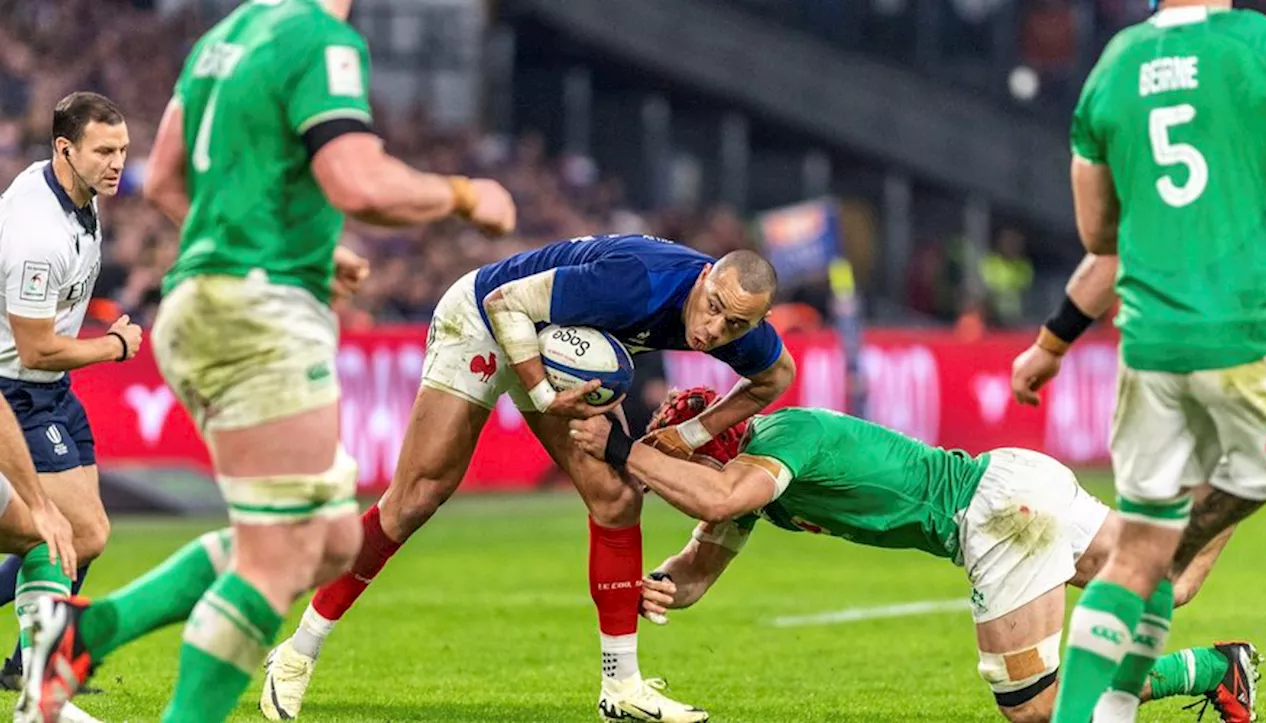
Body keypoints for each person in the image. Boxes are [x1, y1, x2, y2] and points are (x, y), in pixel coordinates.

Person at [18, 0, 516, 721]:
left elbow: (164, 183)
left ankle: (81, 634)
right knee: (276, 559)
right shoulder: (320, 38)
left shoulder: (226, 36)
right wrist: (467, 194)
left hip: (216, 299)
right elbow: (359, 182)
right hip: (254, 314)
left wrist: (288, 251)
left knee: (331, 538)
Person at [261, 234, 795, 722]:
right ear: (704, 279)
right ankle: (296, 652)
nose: (712, 331)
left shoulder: (735, 323)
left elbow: (777, 376)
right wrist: (541, 396)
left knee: (616, 498)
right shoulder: (637, 281)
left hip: (561, 345)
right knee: (417, 499)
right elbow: (504, 303)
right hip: (484, 319)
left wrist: (692, 435)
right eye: (714, 309)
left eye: (735, 326)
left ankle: (622, 687)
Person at [568, 387, 1260, 723]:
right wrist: (654, 583)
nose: (664, 473)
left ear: (713, 445)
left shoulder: (782, 438)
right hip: (1017, 482)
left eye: (673, 454)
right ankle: (1248, 471)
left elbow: (716, 498)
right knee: (1170, 577)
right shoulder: (748, 485)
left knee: (1034, 706)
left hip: (996, 511)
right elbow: (694, 569)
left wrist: (624, 450)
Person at [1038, 1, 1266, 720]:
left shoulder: (1113, 66)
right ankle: (1187, 543)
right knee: (1176, 541)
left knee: (1137, 554)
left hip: (1147, 345)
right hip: (1243, 333)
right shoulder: (1257, 45)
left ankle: (1102, 712)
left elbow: (1097, 231)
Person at [0, 91, 142, 722]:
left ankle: (29, 663)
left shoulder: (72, 192)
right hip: (17, 387)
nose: (117, 164)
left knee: (83, 538)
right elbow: (34, 345)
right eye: (104, 151)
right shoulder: (37, 232)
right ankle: (39, 671)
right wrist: (113, 346)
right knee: (79, 533)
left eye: (122, 151)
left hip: (49, 390)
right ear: (65, 150)